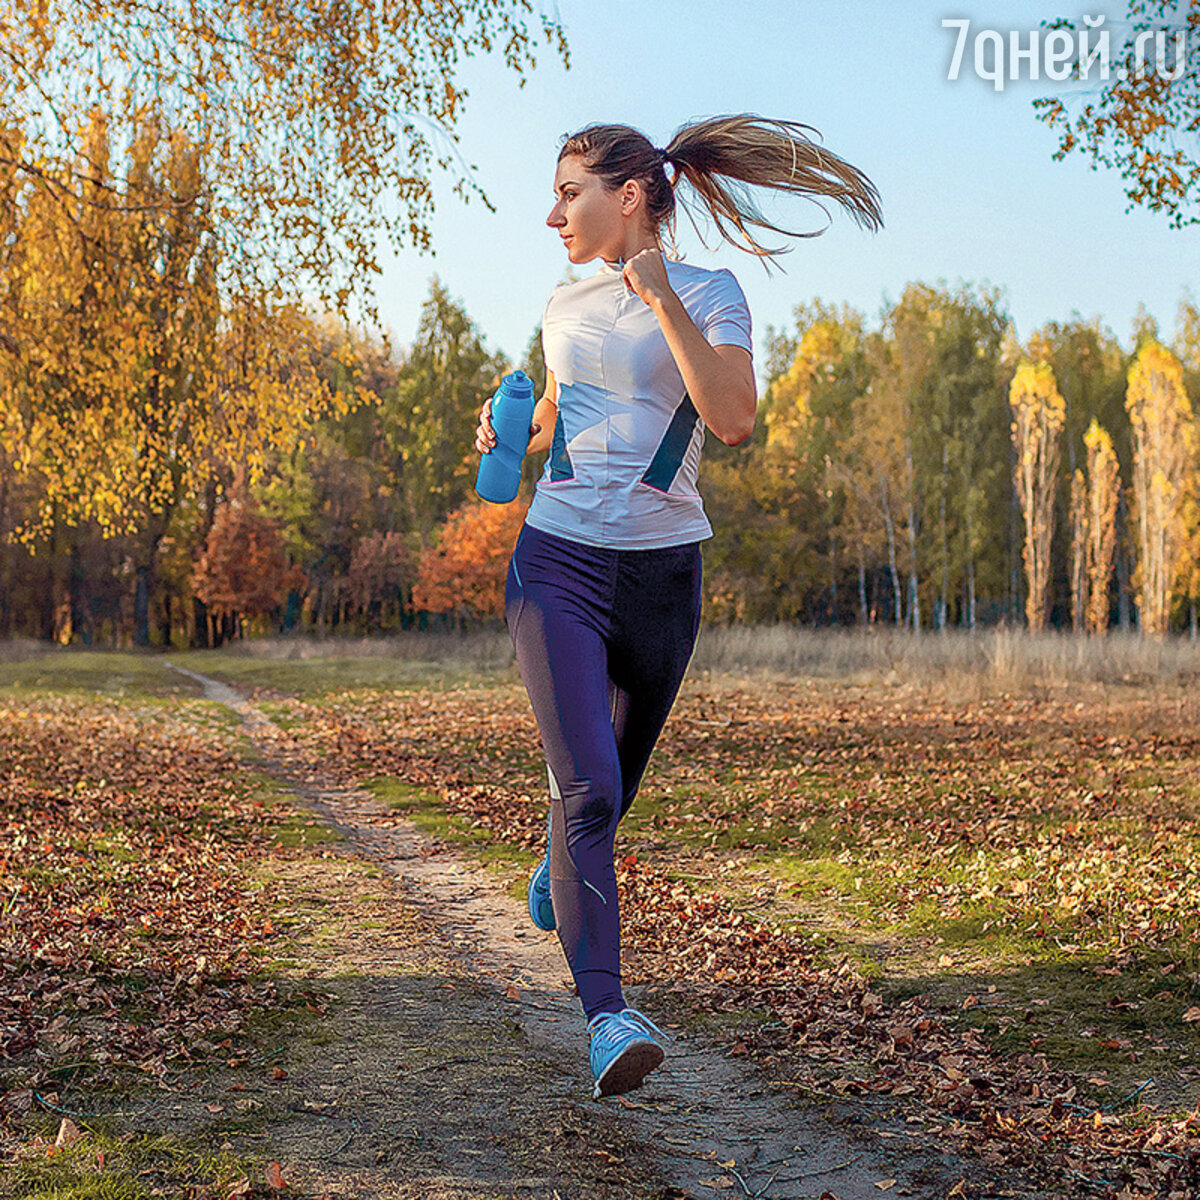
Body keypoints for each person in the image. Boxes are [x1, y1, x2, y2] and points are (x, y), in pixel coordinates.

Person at [475, 116, 882, 1099]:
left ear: (627, 195)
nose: (551, 213)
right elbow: (560, 421)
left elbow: (733, 417)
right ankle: (608, 1018)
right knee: (591, 797)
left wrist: (662, 302)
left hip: (664, 584)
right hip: (559, 564)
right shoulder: (563, 304)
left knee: (613, 783)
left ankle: (559, 866)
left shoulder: (711, 294)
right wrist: (503, 431)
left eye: (569, 191)